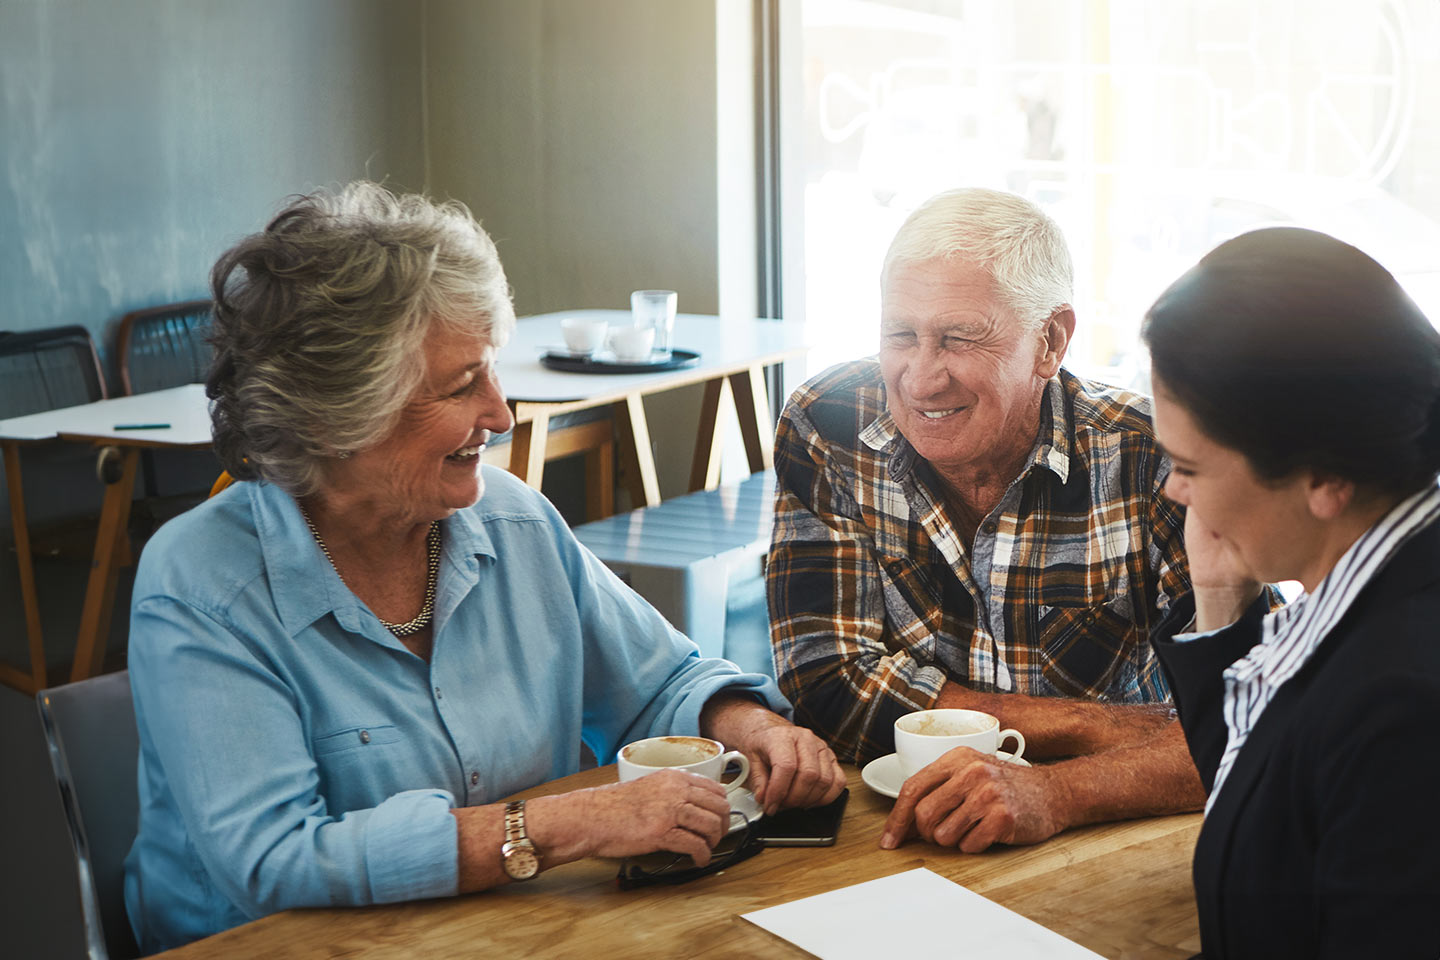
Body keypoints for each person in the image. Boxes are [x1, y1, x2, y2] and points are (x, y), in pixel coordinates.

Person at [123, 182, 845, 953]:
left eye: (492, 372)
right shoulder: (202, 584)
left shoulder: (510, 518)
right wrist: (561, 826)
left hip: (509, 933)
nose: (501, 412)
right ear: (337, 418)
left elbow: (659, 682)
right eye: (462, 384)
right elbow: (274, 859)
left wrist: (751, 725)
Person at [768, 187, 1206, 854]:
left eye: (958, 339)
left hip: (1114, 826)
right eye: (900, 336)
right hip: (894, 830)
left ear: (1050, 341)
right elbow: (828, 681)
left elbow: (1249, 723)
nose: (919, 379)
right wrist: (1098, 727)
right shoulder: (829, 424)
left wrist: (1058, 790)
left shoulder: (1154, 457)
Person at [1143, 227, 1440, 958]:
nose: (1174, 489)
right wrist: (1219, 597)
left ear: (1324, 479)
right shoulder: (1383, 590)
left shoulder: (1400, 702)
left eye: (1190, 465)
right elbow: (1273, 822)